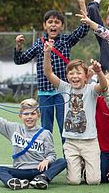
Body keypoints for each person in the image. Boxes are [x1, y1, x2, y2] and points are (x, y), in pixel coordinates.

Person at [14, 10, 89, 138]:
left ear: (62, 26)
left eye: (57, 22)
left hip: (63, 92)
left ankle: (69, 157)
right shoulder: (39, 43)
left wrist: (84, 11)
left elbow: (83, 30)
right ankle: (45, 156)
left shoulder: (66, 40)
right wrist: (18, 47)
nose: (53, 25)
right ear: (45, 25)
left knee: (65, 127)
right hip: (44, 93)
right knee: (45, 129)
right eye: (50, 22)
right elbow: (20, 59)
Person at [0, 98, 66, 190]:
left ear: (38, 115)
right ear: (20, 116)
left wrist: (47, 160)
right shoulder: (13, 129)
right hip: (20, 171)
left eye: (33, 114)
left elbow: (51, 154)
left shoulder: (45, 133)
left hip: (40, 170)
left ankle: (42, 179)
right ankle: (15, 182)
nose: (29, 117)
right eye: (26, 114)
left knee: (62, 161)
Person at [43, 42, 108, 185]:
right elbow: (48, 73)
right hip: (71, 142)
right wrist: (47, 53)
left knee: (94, 181)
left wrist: (99, 72)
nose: (75, 76)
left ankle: (86, 168)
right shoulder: (65, 88)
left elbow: (103, 85)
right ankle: (79, 166)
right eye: (71, 73)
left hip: (89, 141)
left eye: (78, 73)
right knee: (73, 181)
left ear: (86, 76)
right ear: (67, 77)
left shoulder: (91, 89)